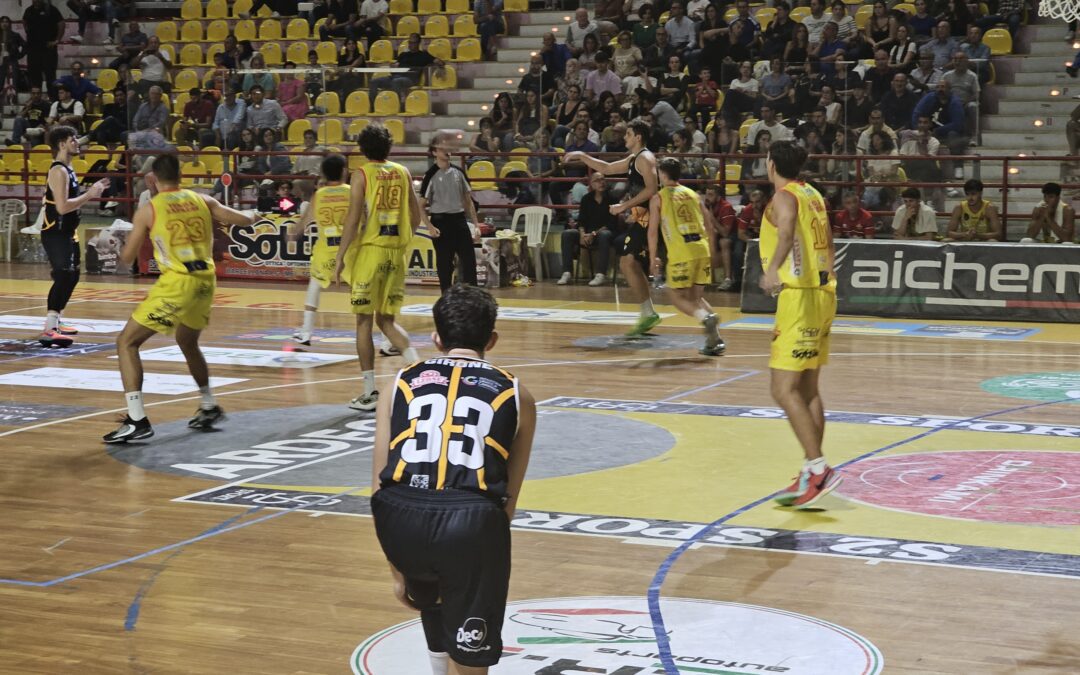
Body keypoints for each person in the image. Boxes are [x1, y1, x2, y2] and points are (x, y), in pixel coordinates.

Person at [369, 284, 536, 675]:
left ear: (436, 338)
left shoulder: (398, 383)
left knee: (433, 597)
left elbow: (379, 484)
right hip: (471, 521)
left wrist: (397, 568)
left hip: (399, 517)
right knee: (472, 658)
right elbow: (508, 498)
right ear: (491, 340)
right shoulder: (516, 392)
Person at [103, 154, 256, 443]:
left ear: (152, 179)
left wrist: (118, 239)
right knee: (187, 341)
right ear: (181, 175)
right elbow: (244, 219)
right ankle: (209, 405)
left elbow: (127, 258)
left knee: (126, 342)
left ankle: (137, 419)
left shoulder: (149, 209)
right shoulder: (203, 200)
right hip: (205, 282)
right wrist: (260, 214)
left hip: (178, 282)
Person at [757, 140, 841, 509]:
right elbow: (830, 242)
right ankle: (811, 469)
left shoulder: (785, 196)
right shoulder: (813, 193)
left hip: (800, 296)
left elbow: (788, 231)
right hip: (823, 292)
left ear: (771, 163)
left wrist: (772, 269)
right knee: (808, 389)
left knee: (782, 388)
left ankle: (819, 467)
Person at [333, 123, 423, 411]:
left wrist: (340, 255)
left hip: (371, 253)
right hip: (396, 255)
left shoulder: (361, 175)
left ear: (362, 149)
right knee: (387, 321)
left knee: (363, 322)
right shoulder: (403, 171)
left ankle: (370, 392)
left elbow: (353, 218)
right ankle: (422, 377)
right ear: (389, 147)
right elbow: (416, 216)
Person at [564, 119, 661, 336]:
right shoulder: (634, 158)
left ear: (638, 137)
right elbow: (606, 168)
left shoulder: (645, 158)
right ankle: (648, 311)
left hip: (650, 217)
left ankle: (649, 310)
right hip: (641, 217)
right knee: (628, 263)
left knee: (627, 262)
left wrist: (623, 206)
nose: (624, 137)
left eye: (627, 134)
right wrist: (581, 155)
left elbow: (653, 190)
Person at [647, 158, 724, 356]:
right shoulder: (693, 195)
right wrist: (713, 252)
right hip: (701, 249)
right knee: (695, 297)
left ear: (663, 175)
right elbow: (710, 226)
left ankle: (705, 318)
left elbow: (653, 232)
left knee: (676, 296)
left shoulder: (659, 197)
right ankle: (715, 339)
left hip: (682, 252)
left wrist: (653, 258)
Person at [289, 154, 350, 345]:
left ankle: (306, 332)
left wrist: (293, 233)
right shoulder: (352, 192)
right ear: (344, 171)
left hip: (326, 248)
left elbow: (305, 221)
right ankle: (383, 338)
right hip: (349, 248)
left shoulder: (319, 195)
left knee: (314, 287)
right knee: (362, 292)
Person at [420, 132, 481, 292]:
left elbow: (468, 201)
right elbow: (420, 205)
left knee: (469, 262)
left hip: (459, 221)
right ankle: (446, 297)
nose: (446, 150)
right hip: (441, 223)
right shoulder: (430, 176)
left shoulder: (459, 172)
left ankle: (472, 297)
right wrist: (429, 227)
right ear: (434, 152)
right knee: (445, 265)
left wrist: (476, 224)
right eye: (441, 148)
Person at [559, 172, 619, 286]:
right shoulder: (586, 199)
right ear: (591, 184)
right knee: (567, 234)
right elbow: (582, 221)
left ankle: (600, 274)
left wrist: (593, 234)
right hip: (588, 233)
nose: (601, 182)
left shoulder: (612, 199)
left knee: (604, 235)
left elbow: (611, 223)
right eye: (597, 180)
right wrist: (582, 234)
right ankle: (567, 272)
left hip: (605, 232)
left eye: (602, 179)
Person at [22, 0, 64, 94]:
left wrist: (57, 40)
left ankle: (52, 99)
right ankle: (36, 100)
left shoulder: (51, 9)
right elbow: (24, 22)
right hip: (33, 50)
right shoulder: (28, 10)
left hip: (48, 49)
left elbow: (61, 24)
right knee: (34, 76)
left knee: (50, 76)